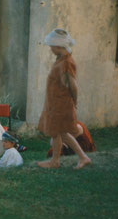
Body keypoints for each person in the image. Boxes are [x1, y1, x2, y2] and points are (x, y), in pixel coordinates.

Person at [37, 29, 91, 169]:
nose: (50, 49)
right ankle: (55, 161)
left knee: (61, 133)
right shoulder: (62, 60)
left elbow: (73, 85)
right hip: (56, 103)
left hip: (61, 104)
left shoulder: (67, 62)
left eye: (52, 46)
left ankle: (82, 157)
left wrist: (75, 102)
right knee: (57, 133)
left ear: (58, 46)